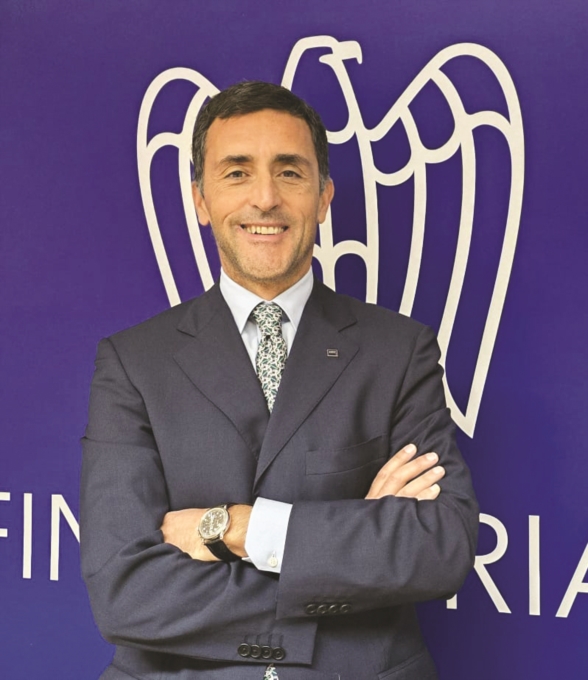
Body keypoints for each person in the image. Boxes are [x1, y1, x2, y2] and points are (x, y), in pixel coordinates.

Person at [81, 81, 478, 680]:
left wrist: (242, 528)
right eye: (237, 173)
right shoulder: (132, 362)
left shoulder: (400, 351)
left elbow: (439, 546)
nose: (265, 198)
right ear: (201, 199)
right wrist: (347, 551)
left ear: (323, 197)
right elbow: (124, 592)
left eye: (290, 173)